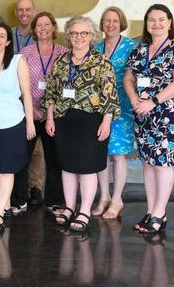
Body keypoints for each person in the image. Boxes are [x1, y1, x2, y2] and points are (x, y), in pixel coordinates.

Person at [43, 16, 120, 233]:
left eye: (83, 33)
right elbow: (51, 93)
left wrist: (107, 121)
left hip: (91, 122)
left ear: (92, 36)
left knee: (87, 168)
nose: (79, 37)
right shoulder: (61, 62)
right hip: (63, 121)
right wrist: (50, 117)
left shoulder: (101, 62)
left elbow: (109, 95)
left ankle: (84, 210)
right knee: (67, 167)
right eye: (75, 33)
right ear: (68, 35)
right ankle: (69, 208)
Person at [124, 4, 174, 234]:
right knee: (148, 163)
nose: (156, 24)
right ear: (146, 23)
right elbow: (128, 78)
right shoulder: (140, 49)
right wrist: (135, 99)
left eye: (161, 19)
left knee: (163, 163)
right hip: (142, 114)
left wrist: (152, 102)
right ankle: (151, 210)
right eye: (151, 20)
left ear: (170, 22)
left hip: (167, 114)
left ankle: (160, 213)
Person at [0, 22, 35, 234]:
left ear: (8, 41)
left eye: (2, 35)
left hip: (13, 123)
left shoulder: (17, 61)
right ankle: (2, 207)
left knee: (7, 168)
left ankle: (0, 212)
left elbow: (27, 94)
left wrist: (30, 122)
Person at [14, 12, 68, 215]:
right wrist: (32, 110)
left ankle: (54, 201)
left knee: (55, 159)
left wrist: (50, 112)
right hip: (29, 112)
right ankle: (19, 199)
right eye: (39, 25)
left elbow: (66, 85)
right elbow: (18, 83)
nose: (43, 28)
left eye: (47, 24)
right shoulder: (25, 53)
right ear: (34, 30)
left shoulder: (64, 53)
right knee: (21, 158)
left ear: (54, 27)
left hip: (54, 116)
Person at [92, 6, 138, 219]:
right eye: (107, 20)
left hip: (123, 108)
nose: (110, 24)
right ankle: (104, 196)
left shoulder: (131, 46)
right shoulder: (97, 47)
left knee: (118, 155)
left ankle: (117, 199)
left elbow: (138, 75)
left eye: (115, 21)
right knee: (101, 154)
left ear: (121, 23)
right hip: (100, 108)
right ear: (102, 23)